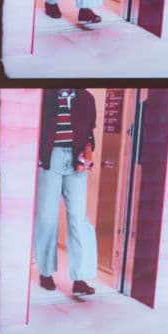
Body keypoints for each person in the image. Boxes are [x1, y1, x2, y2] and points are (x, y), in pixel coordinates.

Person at [34, 86, 98, 298]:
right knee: (46, 218)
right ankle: (45, 272)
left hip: (75, 160)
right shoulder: (45, 94)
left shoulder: (86, 98)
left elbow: (89, 134)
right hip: (49, 159)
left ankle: (80, 278)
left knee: (78, 219)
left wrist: (87, 154)